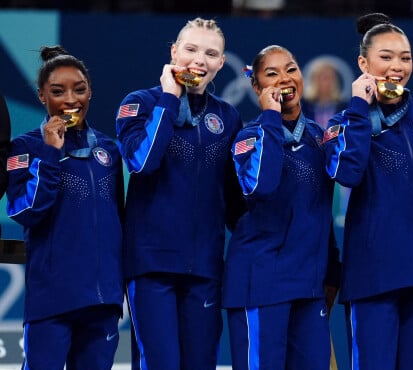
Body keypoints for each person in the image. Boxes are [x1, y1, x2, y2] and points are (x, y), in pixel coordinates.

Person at [323, 13, 413, 370]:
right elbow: (347, 174)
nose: (397, 66)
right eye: (386, 56)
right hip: (372, 276)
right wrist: (359, 108)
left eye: (405, 57)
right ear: (363, 63)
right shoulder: (345, 122)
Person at [115, 18, 245, 370]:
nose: (199, 60)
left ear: (221, 63)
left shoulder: (228, 117)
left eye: (211, 53)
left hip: (204, 267)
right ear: (173, 51)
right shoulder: (140, 104)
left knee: (200, 364)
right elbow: (143, 163)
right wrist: (169, 100)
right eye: (190, 49)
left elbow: (236, 200)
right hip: (151, 264)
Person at [5, 45, 124, 370]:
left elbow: (118, 219)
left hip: (103, 300)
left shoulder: (109, 150)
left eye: (79, 89)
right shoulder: (26, 147)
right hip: (53, 299)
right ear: (42, 96)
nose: (71, 99)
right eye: (58, 91)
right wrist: (49, 154)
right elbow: (26, 209)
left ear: (91, 92)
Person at [222, 45, 341, 370]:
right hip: (261, 286)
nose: (284, 79)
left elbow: (322, 209)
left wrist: (331, 272)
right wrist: (271, 117)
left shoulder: (319, 137)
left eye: (290, 69)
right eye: (271, 74)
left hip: (310, 287)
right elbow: (262, 185)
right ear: (257, 88)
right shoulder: (248, 137)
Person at [301, 57, 351, 227]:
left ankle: (345, 216)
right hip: (311, 154)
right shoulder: (303, 106)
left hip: (338, 154)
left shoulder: (345, 106)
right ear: (314, 80)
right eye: (322, 77)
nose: (326, 81)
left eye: (330, 77)